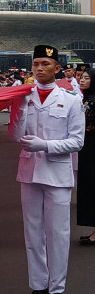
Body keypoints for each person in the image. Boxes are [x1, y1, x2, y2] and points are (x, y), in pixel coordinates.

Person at [8, 45, 85, 294]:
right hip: (29, 172)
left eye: (45, 64)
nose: (39, 68)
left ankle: (57, 287)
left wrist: (46, 145)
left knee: (59, 235)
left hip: (57, 173)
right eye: (36, 64)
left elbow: (77, 141)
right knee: (32, 233)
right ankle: (38, 285)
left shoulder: (71, 100)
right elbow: (15, 136)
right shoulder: (25, 97)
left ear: (57, 68)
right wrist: (18, 110)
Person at [77, 68, 95, 245]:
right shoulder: (86, 99)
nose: (82, 80)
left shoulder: (91, 101)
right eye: (81, 77)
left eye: (87, 78)